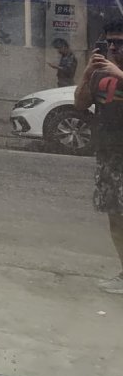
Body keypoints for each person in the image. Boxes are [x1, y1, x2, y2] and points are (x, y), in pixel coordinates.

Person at [75, 24, 123, 293]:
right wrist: (86, 74)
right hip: (108, 155)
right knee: (115, 218)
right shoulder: (100, 73)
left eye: (120, 43)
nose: (114, 48)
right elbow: (80, 103)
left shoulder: (115, 72)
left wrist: (120, 74)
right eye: (109, 43)